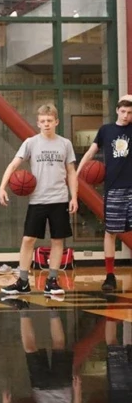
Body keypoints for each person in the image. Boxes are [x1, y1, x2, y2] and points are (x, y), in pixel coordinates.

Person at [0, 104, 78, 297]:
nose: (46, 124)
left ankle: (52, 280)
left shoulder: (65, 144)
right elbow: (13, 164)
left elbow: (71, 172)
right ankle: (23, 281)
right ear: (38, 123)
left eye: (49, 120)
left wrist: (74, 196)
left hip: (59, 198)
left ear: (56, 122)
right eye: (42, 121)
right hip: (37, 200)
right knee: (28, 239)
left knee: (58, 240)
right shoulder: (31, 143)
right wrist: (2, 186)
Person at [76, 98, 132, 292]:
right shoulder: (106, 130)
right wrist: (77, 173)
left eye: (130, 112)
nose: (126, 116)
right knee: (111, 232)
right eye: (123, 111)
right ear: (117, 110)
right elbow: (91, 152)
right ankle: (110, 276)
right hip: (114, 188)